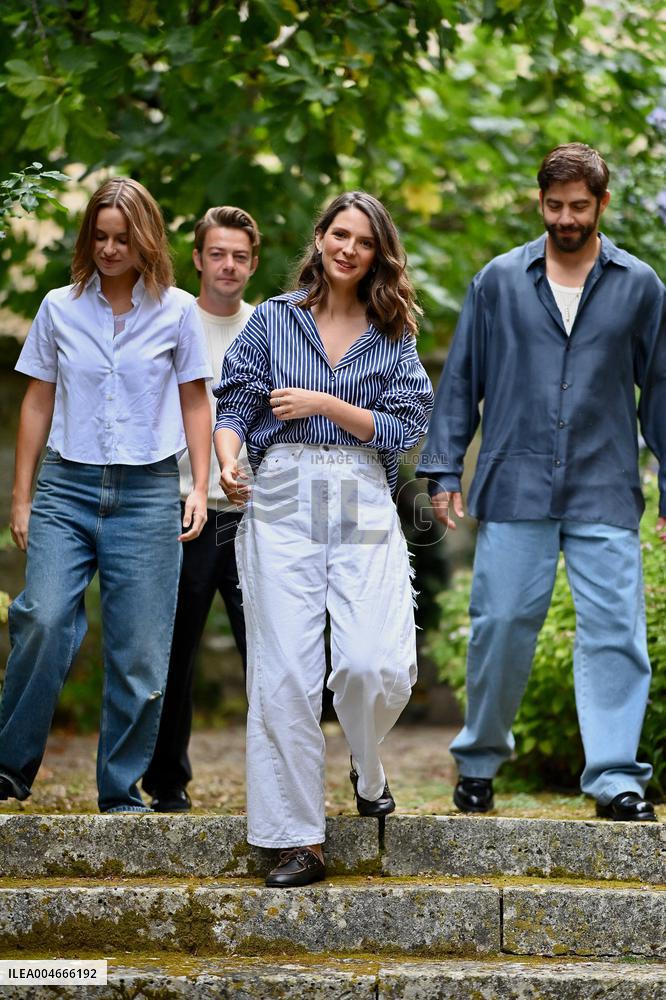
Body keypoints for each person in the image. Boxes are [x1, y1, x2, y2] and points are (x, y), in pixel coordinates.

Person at [417, 143, 665, 822]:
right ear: (540, 202)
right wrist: (442, 467)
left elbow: (663, 391)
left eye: (578, 207)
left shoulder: (640, 285)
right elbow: (462, 376)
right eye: (554, 206)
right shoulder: (497, 280)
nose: (565, 218)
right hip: (516, 482)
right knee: (500, 624)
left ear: (602, 205)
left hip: (604, 485)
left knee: (616, 632)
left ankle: (616, 778)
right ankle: (479, 762)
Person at [214, 191, 433, 886]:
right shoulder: (274, 322)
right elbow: (236, 405)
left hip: (362, 491)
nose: (348, 249)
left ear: (377, 254)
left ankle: (368, 767)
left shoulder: (394, 333)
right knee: (283, 672)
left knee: (374, 662)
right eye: (339, 234)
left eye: (363, 241)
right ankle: (296, 840)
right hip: (281, 490)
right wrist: (226, 461)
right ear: (320, 238)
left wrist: (326, 403)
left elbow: (403, 428)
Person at [0, 177, 212, 814]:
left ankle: (120, 791)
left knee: (142, 655)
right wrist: (21, 495)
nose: (111, 249)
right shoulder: (59, 307)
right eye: (101, 236)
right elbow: (38, 399)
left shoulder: (177, 310)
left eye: (123, 238)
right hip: (67, 485)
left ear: (145, 240)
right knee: (40, 615)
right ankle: (9, 767)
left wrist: (198, 486)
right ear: (87, 237)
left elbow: (195, 399)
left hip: (149, 493)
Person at [142, 206, 260, 812]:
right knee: (175, 650)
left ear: (253, 263)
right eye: (218, 253)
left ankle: (277, 780)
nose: (228, 265)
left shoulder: (272, 327)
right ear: (197, 257)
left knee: (266, 652)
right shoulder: (170, 319)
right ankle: (167, 781)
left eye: (240, 256)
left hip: (250, 514)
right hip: (181, 510)